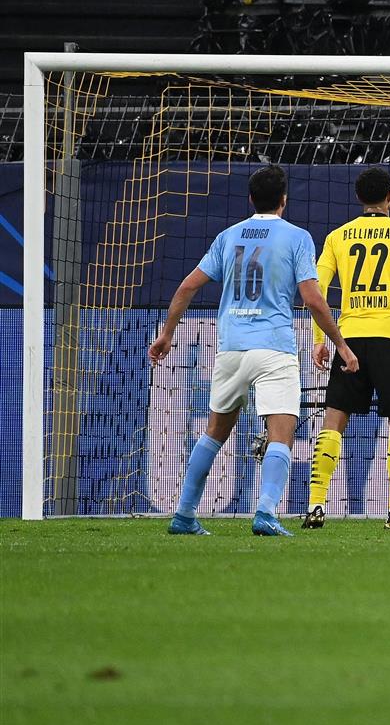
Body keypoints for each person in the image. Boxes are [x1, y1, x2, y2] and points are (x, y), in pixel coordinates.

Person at [150, 164, 359, 537]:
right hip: (274, 348)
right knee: (281, 434)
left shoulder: (228, 236)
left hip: (230, 348)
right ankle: (265, 512)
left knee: (214, 432)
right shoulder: (297, 237)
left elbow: (185, 288)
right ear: (284, 199)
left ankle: (183, 514)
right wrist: (340, 344)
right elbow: (312, 298)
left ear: (250, 199)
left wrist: (166, 335)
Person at [304, 167, 390, 530]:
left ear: (359, 198)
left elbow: (318, 289)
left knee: (335, 418)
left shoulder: (337, 237)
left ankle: (315, 505)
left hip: (350, 338)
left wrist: (320, 340)